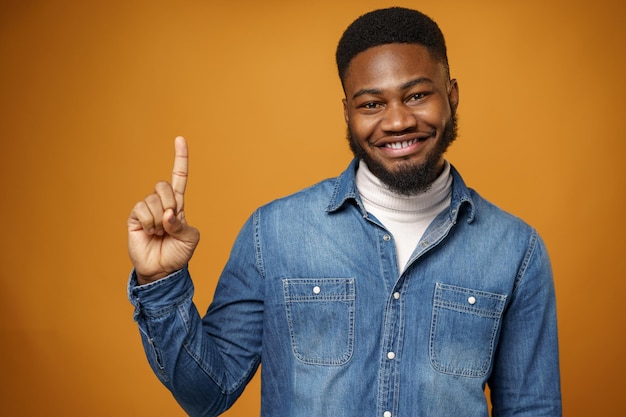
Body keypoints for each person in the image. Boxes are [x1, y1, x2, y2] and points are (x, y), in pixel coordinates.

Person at [127, 7, 562, 417]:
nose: (396, 122)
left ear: (452, 96)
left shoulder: (515, 250)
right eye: (372, 104)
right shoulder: (275, 233)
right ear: (348, 112)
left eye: (416, 95)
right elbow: (207, 394)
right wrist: (160, 282)